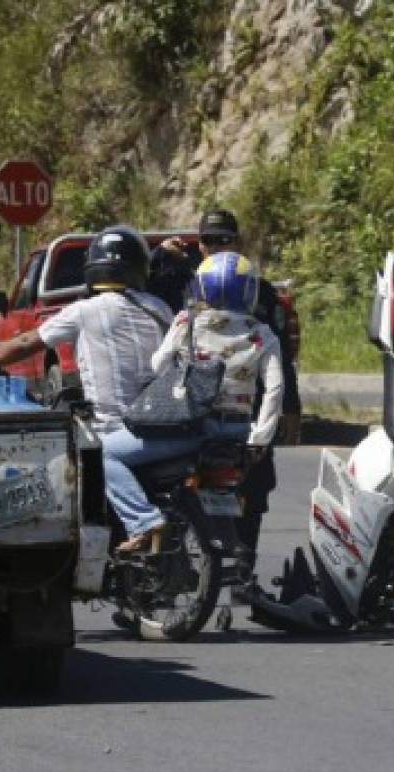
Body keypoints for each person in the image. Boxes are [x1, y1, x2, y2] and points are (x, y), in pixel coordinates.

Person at [102, 252, 283, 552]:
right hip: (236, 434)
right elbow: (275, 390)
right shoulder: (263, 334)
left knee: (105, 453)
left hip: (193, 428)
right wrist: (259, 439)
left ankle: (143, 521)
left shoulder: (188, 321)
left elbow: (158, 364)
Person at [149, 209, 301, 562]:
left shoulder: (257, 290)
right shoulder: (185, 283)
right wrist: (160, 259)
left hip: (247, 408)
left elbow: (278, 353)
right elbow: (146, 295)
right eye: (208, 241)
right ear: (197, 245)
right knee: (173, 485)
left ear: (238, 241)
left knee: (255, 489)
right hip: (193, 411)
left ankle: (244, 562)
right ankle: (177, 565)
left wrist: (289, 408)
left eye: (224, 239)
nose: (216, 247)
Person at [0, 225, 172, 434]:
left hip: (111, 430)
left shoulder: (82, 311)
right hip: (161, 425)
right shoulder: (160, 307)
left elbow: (25, 343)